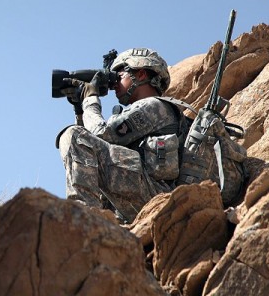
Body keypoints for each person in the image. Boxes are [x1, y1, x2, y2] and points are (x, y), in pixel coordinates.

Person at [57, 48, 185, 223]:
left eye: (119, 76)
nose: (114, 84)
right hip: (140, 195)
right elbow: (89, 150)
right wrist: (79, 109)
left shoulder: (156, 107)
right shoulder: (141, 111)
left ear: (140, 75)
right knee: (77, 137)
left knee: (72, 135)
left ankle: (83, 219)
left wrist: (90, 99)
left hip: (155, 197)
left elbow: (100, 134)